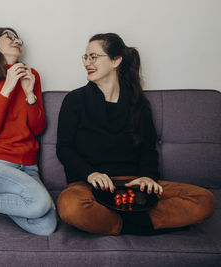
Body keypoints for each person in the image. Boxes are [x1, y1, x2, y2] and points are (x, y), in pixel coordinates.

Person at [56, 33, 215, 235]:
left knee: (204, 200)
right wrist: (91, 173)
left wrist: (148, 177)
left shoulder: (138, 103)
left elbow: (148, 149)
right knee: (70, 207)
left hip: (133, 184)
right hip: (89, 186)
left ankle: (115, 221)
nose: (88, 63)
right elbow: (64, 148)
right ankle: (140, 222)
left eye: (94, 56)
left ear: (116, 60)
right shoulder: (74, 100)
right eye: (85, 57)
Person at [0, 27, 57, 236]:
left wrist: (29, 94)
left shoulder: (31, 75)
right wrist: (7, 87)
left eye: (17, 37)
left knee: (46, 227)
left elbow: (38, 128)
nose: (16, 40)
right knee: (39, 202)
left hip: (28, 167)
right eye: (8, 36)